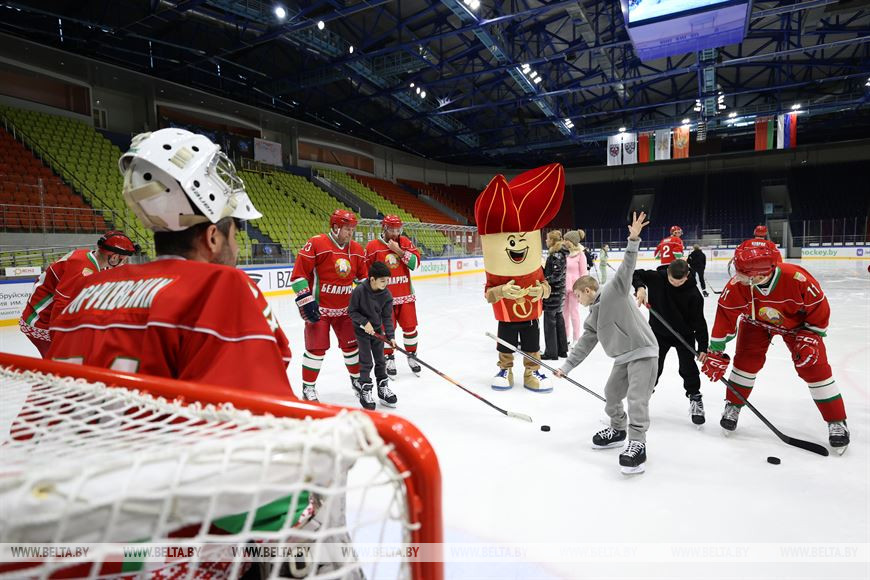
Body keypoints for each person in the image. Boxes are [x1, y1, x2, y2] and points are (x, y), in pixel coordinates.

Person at [47, 128, 293, 397]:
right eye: (235, 232)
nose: (236, 245)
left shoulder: (87, 291)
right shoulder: (221, 288)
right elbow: (257, 408)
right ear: (212, 237)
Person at [702, 244, 848, 452]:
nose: (737, 276)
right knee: (745, 363)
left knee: (815, 368)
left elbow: (819, 308)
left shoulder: (797, 279)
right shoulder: (737, 286)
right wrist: (715, 350)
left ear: (759, 275)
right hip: (756, 323)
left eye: (743, 273)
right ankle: (733, 406)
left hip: (797, 328)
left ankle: (836, 421)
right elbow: (724, 316)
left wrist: (811, 335)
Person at [555, 212, 658, 475]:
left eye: (578, 296)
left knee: (637, 399)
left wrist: (633, 239)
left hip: (643, 352)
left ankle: (637, 443)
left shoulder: (615, 289)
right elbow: (583, 345)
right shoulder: (594, 316)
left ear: (588, 290)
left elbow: (627, 265)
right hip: (623, 358)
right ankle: (618, 430)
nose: (577, 300)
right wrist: (566, 368)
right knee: (612, 394)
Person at [19, 230, 137, 358]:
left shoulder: (87, 257)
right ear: (114, 257)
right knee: (61, 364)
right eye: (123, 260)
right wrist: (60, 338)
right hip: (42, 321)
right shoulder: (82, 270)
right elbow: (61, 304)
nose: (123, 263)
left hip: (45, 317)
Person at [290, 209, 367, 402]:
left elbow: (363, 278)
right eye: (347, 228)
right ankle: (308, 387)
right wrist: (306, 300)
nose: (351, 232)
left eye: (352, 229)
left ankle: (357, 381)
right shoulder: (316, 243)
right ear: (335, 227)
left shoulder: (357, 249)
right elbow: (298, 276)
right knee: (316, 349)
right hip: (319, 309)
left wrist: (368, 301)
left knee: (352, 347)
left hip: (346, 311)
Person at [633, 259, 709, 425]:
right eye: (672, 280)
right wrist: (640, 288)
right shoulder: (656, 278)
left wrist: (703, 347)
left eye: (680, 281)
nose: (676, 283)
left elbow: (700, 323)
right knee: (653, 367)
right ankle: (641, 401)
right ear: (667, 273)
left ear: (687, 276)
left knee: (688, 367)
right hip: (658, 334)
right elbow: (635, 273)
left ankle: (695, 397)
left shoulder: (694, 294)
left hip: (684, 335)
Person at [364, 214, 422, 379]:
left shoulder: (404, 242)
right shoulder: (373, 246)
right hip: (383, 299)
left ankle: (412, 356)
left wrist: (399, 251)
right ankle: (390, 358)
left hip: (405, 296)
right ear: (384, 228)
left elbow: (415, 264)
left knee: (410, 328)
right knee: (386, 330)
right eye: (392, 229)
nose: (396, 233)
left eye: (398, 229)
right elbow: (366, 272)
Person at [348, 261, 398, 409]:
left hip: (377, 333)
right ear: (372, 279)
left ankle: (382, 389)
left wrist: (391, 336)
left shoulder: (386, 294)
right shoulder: (359, 291)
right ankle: (365, 390)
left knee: (381, 360)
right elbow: (352, 311)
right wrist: (364, 322)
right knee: (366, 361)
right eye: (382, 281)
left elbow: (387, 317)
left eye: (387, 280)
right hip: (362, 332)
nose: (385, 283)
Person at [542, 230, 568, 359]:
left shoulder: (556, 255)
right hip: (558, 292)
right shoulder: (559, 254)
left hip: (553, 293)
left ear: (552, 241)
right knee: (558, 319)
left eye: (547, 239)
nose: (545, 241)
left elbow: (556, 275)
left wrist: (545, 280)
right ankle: (562, 350)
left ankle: (551, 352)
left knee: (550, 322)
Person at [562, 230, 588, 344]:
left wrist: (582, 289)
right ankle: (566, 337)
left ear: (572, 241)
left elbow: (583, 273)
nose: (564, 242)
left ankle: (576, 338)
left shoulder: (580, 254)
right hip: (563, 287)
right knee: (564, 313)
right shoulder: (564, 253)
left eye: (566, 240)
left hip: (575, 288)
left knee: (574, 313)